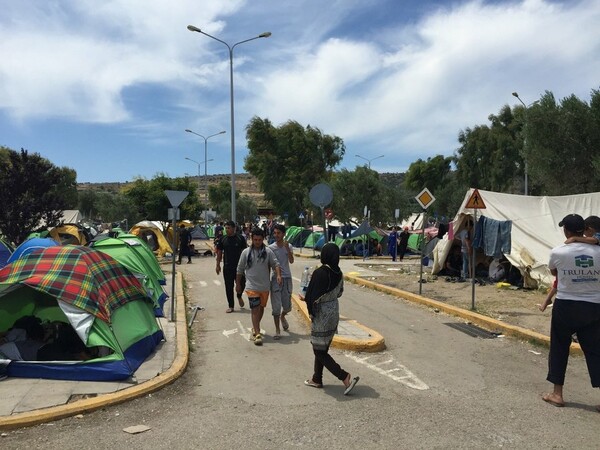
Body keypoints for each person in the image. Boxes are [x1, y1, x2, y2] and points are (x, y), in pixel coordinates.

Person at [542, 214, 600, 409]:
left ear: (566, 230)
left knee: (559, 347)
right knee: (595, 351)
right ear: (583, 230)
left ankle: (557, 394)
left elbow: (554, 272)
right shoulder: (598, 251)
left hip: (566, 305)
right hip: (593, 306)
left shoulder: (558, 252)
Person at [300, 243, 359, 395]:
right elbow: (340, 292)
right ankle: (316, 378)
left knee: (319, 350)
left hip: (321, 315)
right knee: (322, 347)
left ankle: (344, 376)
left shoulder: (320, 272)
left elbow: (311, 296)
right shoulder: (338, 273)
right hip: (334, 312)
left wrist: (309, 306)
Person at [236, 228, 282, 346]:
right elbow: (240, 270)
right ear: (252, 239)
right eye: (255, 239)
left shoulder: (268, 252)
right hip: (251, 287)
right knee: (255, 309)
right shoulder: (246, 252)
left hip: (264, 287)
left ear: (263, 239)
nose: (257, 242)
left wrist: (278, 275)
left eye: (260, 240)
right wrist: (238, 285)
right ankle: (257, 333)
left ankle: (255, 327)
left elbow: (275, 264)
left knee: (261, 309)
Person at [269, 224, 294, 340]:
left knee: (287, 307)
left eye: (279, 233)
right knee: (276, 307)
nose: (276, 235)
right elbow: (268, 265)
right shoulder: (271, 248)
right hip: (275, 280)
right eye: (275, 233)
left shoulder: (288, 246)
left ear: (283, 234)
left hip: (287, 278)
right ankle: (277, 330)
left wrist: (287, 249)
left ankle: (283, 316)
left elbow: (291, 261)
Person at [216, 221, 247, 313]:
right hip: (227, 266)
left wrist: (246, 265)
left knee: (242, 284)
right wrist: (218, 265)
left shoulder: (240, 238)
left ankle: (239, 295)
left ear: (234, 228)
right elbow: (219, 252)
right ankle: (231, 305)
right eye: (226, 228)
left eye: (229, 228)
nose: (227, 230)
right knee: (228, 286)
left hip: (239, 267)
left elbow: (244, 252)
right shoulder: (223, 239)